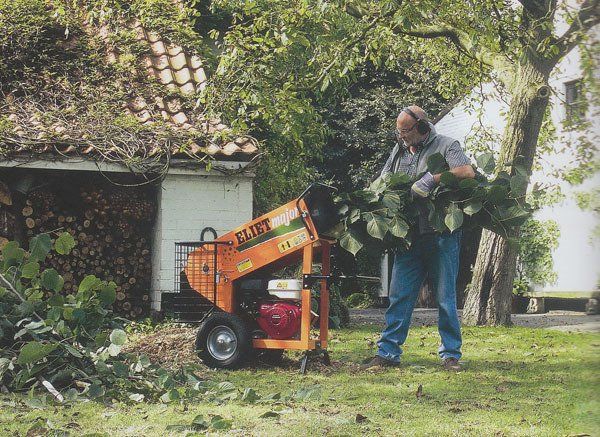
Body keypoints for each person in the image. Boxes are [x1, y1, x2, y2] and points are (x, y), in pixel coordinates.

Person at [362, 106, 475, 372]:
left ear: (422, 127)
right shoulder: (399, 150)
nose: (401, 137)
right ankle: (388, 352)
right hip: (409, 238)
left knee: (445, 298)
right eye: (398, 132)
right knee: (399, 295)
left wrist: (433, 178)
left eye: (405, 131)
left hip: (441, 236)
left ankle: (450, 355)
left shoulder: (447, 145)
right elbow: (384, 179)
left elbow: (467, 171)